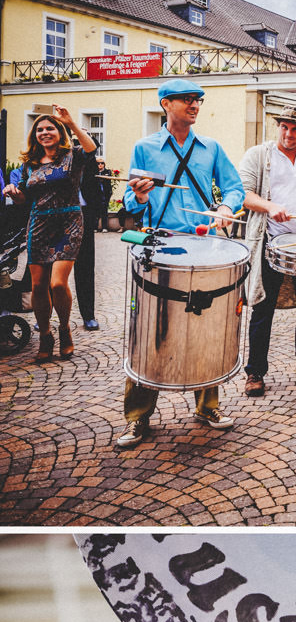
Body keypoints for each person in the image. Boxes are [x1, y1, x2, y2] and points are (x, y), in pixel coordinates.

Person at [117, 82, 245, 448]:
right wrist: (139, 194)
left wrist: (224, 207)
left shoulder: (211, 148)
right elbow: (131, 201)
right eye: (187, 100)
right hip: (161, 247)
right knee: (147, 332)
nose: (194, 105)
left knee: (206, 327)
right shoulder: (145, 147)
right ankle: (138, 417)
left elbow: (234, 188)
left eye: (197, 100)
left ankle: (208, 407)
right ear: (165, 104)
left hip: (203, 245)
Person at [236, 105, 296, 397]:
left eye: (295, 129)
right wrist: (270, 207)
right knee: (263, 305)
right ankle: (255, 371)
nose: (288, 133)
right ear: (277, 127)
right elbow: (244, 194)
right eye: (284, 127)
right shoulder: (259, 155)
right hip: (270, 242)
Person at [2, 106, 97, 362]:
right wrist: (13, 191)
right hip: (39, 224)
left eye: (50, 128)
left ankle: (64, 328)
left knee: (57, 282)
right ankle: (45, 334)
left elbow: (91, 148)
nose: (45, 132)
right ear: (35, 135)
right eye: (40, 129)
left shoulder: (73, 155)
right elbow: (23, 198)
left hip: (69, 222)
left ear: (59, 132)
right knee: (38, 285)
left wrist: (72, 122)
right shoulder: (29, 164)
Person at [72, 147, 111, 331]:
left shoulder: (89, 160)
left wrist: (95, 216)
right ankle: (44, 316)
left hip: (84, 214)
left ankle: (88, 315)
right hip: (57, 215)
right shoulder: (56, 157)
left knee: (85, 266)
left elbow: (97, 190)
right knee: (50, 271)